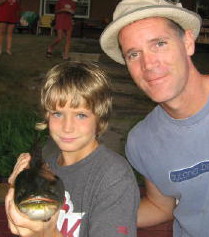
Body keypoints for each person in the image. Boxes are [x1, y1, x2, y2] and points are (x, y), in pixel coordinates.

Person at [100, 0, 209, 236]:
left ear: (188, 42)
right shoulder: (142, 141)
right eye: (134, 54)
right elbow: (161, 206)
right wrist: (88, 214)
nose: (148, 64)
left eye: (159, 43)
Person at [6, 61, 140, 237]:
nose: (67, 127)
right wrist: (19, 185)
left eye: (81, 115)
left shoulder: (114, 177)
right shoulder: (46, 158)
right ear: (47, 115)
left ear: (100, 119)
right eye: (58, 113)